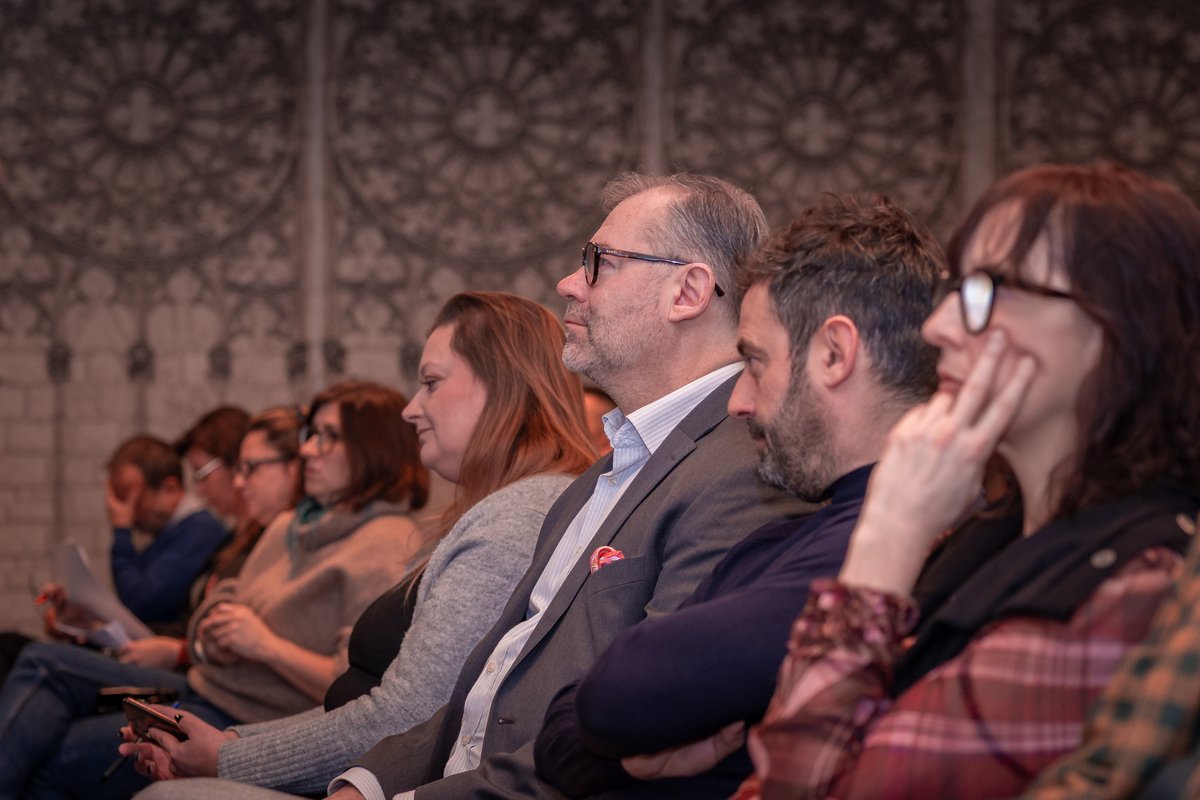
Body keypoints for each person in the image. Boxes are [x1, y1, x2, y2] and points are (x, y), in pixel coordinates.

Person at [139, 172, 812, 800]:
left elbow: (633, 735)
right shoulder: (595, 481)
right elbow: (479, 695)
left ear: (687, 293)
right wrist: (365, 784)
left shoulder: (738, 470)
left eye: (599, 262)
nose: (569, 283)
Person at [687, 162, 1200, 800]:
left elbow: (803, 787)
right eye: (955, 290)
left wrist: (886, 546)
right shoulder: (993, 532)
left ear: (1113, 325)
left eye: (988, 290)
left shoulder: (1139, 578)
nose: (939, 327)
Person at [532, 193, 943, 798]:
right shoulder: (785, 540)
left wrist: (616, 738)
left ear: (835, 354)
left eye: (754, 362)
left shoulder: (876, 548)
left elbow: (612, 696)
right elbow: (560, 741)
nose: (738, 402)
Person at [122, 291, 596, 796]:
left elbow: (409, 716)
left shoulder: (516, 518)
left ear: (502, 387)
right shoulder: (506, 509)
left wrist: (227, 757)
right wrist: (232, 742)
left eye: (431, 383)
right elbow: (373, 703)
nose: (411, 409)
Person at [0, 381, 430, 799]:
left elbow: (351, 691)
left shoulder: (385, 547)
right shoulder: (292, 524)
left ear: (374, 449)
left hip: (255, 717)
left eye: (328, 437)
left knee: (56, 750)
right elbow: (227, 596)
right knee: (41, 670)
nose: (308, 450)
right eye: (310, 435)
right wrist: (214, 629)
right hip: (207, 688)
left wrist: (263, 645)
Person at [118, 406, 304, 671]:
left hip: (210, 679)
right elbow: (193, 622)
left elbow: (247, 642)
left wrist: (179, 653)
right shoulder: (229, 540)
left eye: (202, 473)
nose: (240, 481)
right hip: (202, 674)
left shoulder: (272, 540)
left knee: (58, 664)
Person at [41, 434, 230, 633]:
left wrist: (122, 531)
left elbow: (141, 606)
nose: (126, 512)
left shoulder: (201, 531)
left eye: (132, 498)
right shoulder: (168, 534)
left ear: (170, 488)